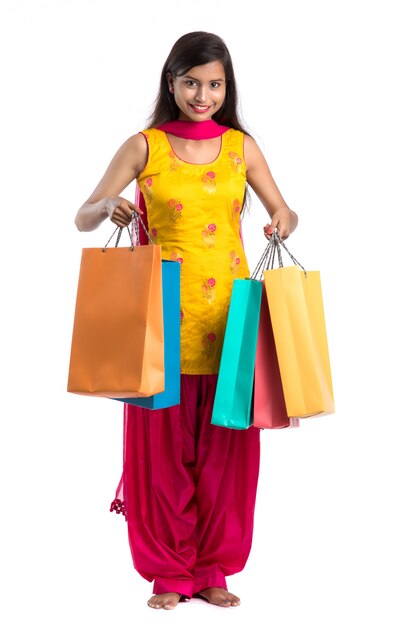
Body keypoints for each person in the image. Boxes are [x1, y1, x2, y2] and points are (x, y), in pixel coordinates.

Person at [74, 31, 298, 610]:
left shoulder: (240, 148)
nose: (203, 95)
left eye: (215, 84)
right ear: (171, 82)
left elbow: (283, 207)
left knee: (228, 453)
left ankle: (215, 568)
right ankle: (171, 573)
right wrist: (106, 207)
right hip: (160, 321)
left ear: (228, 87)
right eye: (192, 82)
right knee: (162, 454)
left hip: (232, 319)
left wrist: (282, 220)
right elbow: (83, 215)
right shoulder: (143, 146)